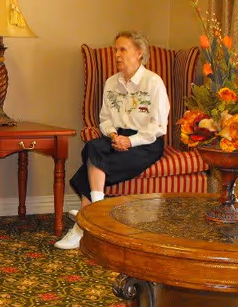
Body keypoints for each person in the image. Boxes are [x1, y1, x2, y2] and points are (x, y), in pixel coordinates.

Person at [55, 31, 169, 250]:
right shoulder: (111, 83)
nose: (117, 54)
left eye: (123, 49)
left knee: (86, 170)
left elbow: (158, 126)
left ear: (139, 53)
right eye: (115, 49)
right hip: (117, 137)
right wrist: (115, 135)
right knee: (92, 147)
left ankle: (83, 225)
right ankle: (97, 211)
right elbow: (104, 119)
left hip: (146, 142)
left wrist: (131, 141)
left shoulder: (153, 82)